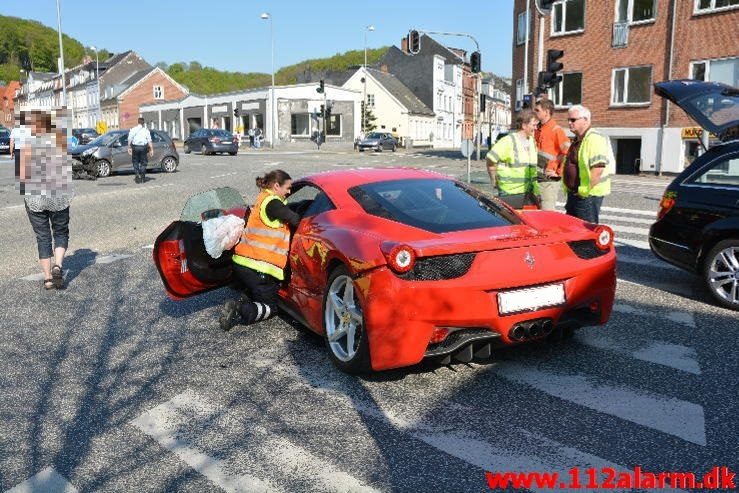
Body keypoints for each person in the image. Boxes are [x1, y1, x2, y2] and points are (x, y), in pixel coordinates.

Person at [219, 170, 301, 331]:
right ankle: (238, 311)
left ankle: (244, 299)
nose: (290, 192)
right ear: (277, 186)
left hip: (243, 263)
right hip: (258, 267)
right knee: (271, 307)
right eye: (288, 188)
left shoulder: (263, 198)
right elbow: (296, 219)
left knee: (259, 292)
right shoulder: (273, 203)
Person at [18, 109, 74, 290]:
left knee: (42, 237)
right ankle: (58, 265)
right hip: (59, 196)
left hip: (35, 199)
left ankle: (48, 278)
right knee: (60, 232)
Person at [563, 104, 614, 223]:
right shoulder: (578, 139)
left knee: (586, 232)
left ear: (585, 120)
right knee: (573, 230)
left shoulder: (594, 138)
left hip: (588, 195)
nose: (570, 123)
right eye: (568, 120)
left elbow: (598, 169)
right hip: (576, 194)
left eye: (573, 120)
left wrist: (584, 191)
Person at [486, 109, 539, 209]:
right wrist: (494, 179)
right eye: (534, 125)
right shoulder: (508, 141)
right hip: (510, 193)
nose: (536, 128)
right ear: (524, 125)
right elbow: (490, 159)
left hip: (529, 192)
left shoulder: (532, 141)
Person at [534, 99, 570, 211]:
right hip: (537, 178)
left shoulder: (556, 130)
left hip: (548, 180)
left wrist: (558, 172)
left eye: (537, 110)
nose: (535, 112)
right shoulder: (537, 129)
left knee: (547, 213)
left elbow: (568, 153)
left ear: (546, 111)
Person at [127, 117, 153, 184]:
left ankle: (137, 175)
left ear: (138, 122)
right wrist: (151, 150)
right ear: (143, 123)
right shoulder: (146, 130)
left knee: (135, 162)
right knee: (143, 163)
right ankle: (142, 176)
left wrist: (129, 148)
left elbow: (129, 139)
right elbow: (149, 141)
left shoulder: (133, 129)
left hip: (135, 147)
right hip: (143, 148)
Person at [10, 112, 31, 179]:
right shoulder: (28, 130)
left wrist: (11, 153)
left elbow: (11, 142)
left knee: (18, 167)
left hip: (18, 150)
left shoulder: (14, 130)